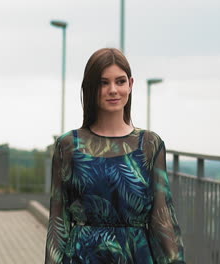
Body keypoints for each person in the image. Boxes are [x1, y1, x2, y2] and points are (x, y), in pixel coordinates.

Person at [44, 48, 185, 264]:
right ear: (90, 88)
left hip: (136, 256)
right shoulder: (69, 146)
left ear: (131, 84)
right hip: (83, 256)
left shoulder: (150, 145)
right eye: (103, 83)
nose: (113, 90)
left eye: (120, 82)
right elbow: (58, 221)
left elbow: (162, 219)